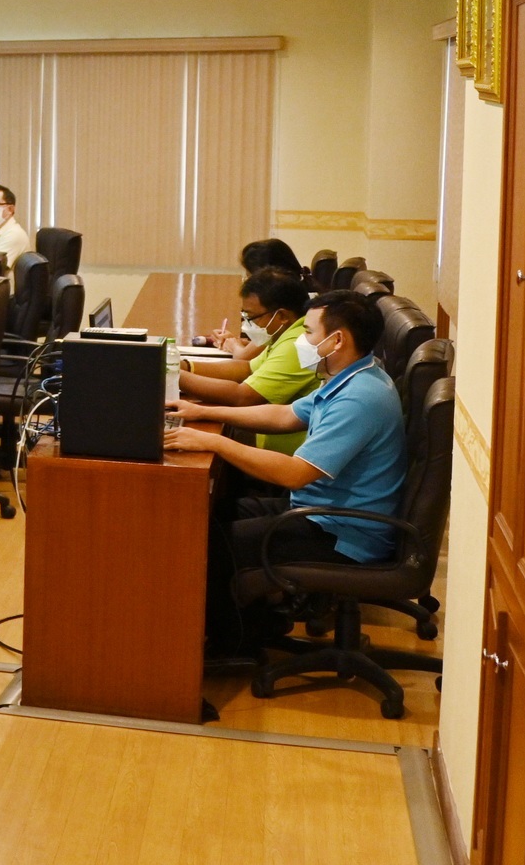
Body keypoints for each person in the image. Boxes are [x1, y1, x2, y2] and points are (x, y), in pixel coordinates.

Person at [168, 291, 407, 650]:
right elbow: (285, 414)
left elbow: (294, 474)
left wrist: (214, 442)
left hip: (343, 532)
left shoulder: (360, 397)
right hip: (321, 509)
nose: (302, 341)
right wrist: (204, 412)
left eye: (309, 332)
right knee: (209, 515)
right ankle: (259, 623)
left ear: (337, 340)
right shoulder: (353, 376)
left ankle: (235, 643)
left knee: (211, 544)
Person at [177, 268, 316, 452]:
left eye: (252, 317)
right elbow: (246, 369)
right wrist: (184, 366)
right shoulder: (286, 333)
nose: (246, 325)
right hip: (267, 443)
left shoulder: (298, 344)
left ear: (282, 315)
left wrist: (171, 374)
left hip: (286, 456)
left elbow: (242, 397)